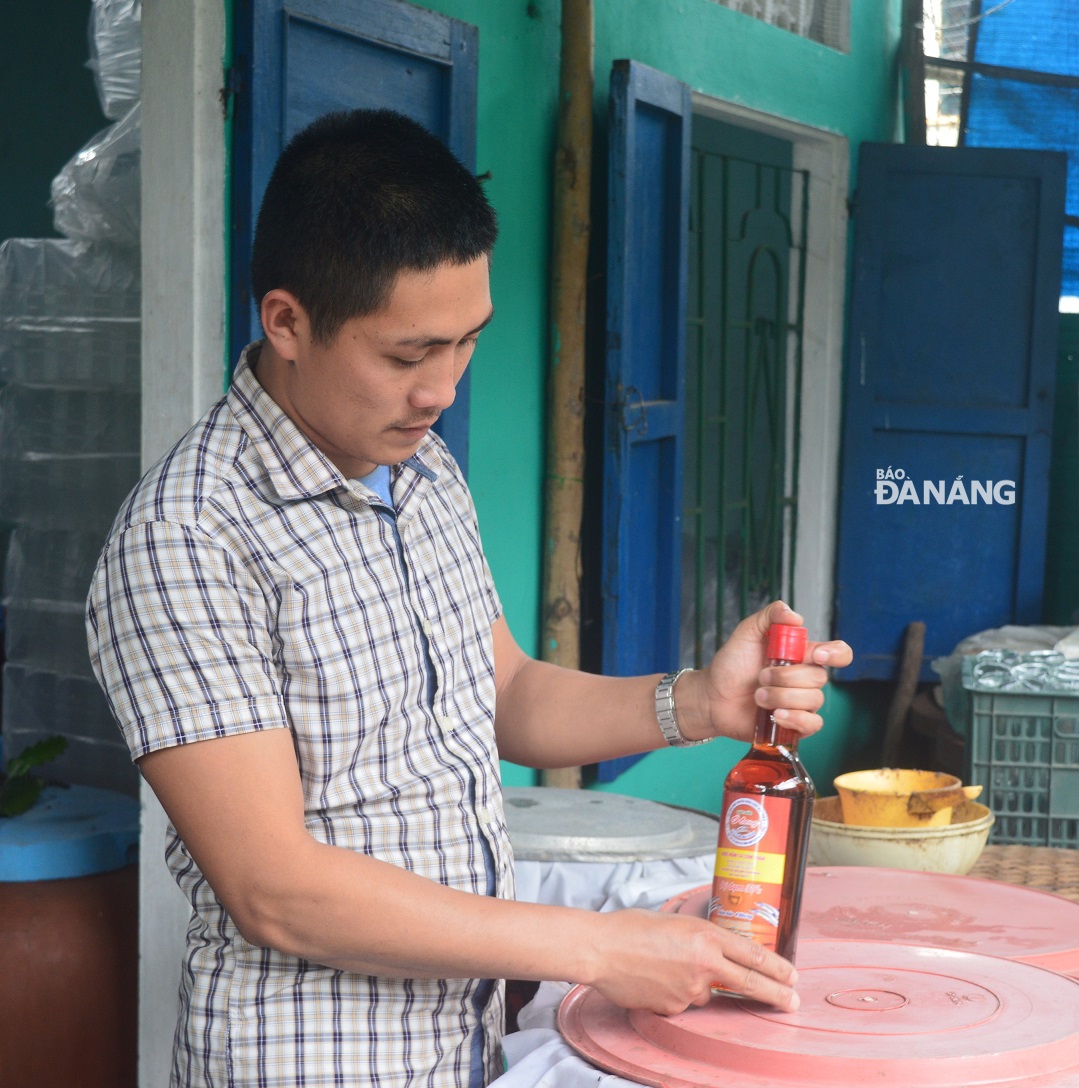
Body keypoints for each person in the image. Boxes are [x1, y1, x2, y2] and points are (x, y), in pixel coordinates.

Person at [86, 108, 853, 1088]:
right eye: (407, 355)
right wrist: (596, 947)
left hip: (461, 1039)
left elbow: (506, 693)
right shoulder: (187, 540)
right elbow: (273, 887)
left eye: (465, 343)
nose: (441, 389)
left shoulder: (418, 472)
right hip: (311, 1059)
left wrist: (698, 700)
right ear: (285, 321)